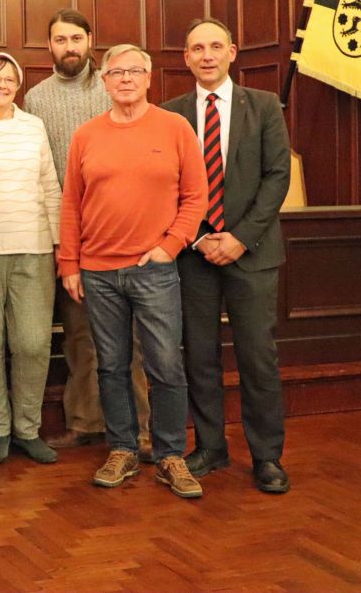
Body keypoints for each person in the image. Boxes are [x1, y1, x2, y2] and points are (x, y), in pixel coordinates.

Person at [58, 43, 207, 499]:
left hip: (154, 271)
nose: (125, 78)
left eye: (134, 71)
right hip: (98, 273)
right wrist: (70, 263)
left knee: (164, 365)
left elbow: (196, 198)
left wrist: (170, 246)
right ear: (103, 81)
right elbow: (71, 204)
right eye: (116, 72)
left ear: (148, 78)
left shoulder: (176, 127)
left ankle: (169, 455)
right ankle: (121, 448)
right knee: (111, 366)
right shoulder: (86, 135)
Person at [162, 18, 291, 494]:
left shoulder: (263, 106)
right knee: (198, 357)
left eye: (216, 46)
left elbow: (278, 177)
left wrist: (238, 237)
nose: (207, 55)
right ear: (187, 58)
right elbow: (166, 184)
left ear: (233, 52)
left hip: (252, 254)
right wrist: (196, 237)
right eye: (198, 48)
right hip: (193, 256)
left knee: (258, 359)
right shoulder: (170, 115)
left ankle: (266, 457)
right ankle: (211, 447)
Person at [22, 8, 151, 461]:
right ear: (50, 46)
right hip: (71, 231)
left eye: (76, 38)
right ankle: (84, 422)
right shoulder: (36, 98)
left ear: (90, 40)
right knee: (78, 337)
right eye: (59, 40)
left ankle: (141, 429)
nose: (69, 47)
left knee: (128, 340)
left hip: (122, 229)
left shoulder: (114, 84)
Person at [0, 53, 61, 465]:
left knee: (33, 343)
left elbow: (50, 185)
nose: (2, 84)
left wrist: (58, 244)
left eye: (10, 78)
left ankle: (28, 428)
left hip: (34, 246)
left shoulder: (33, 126)